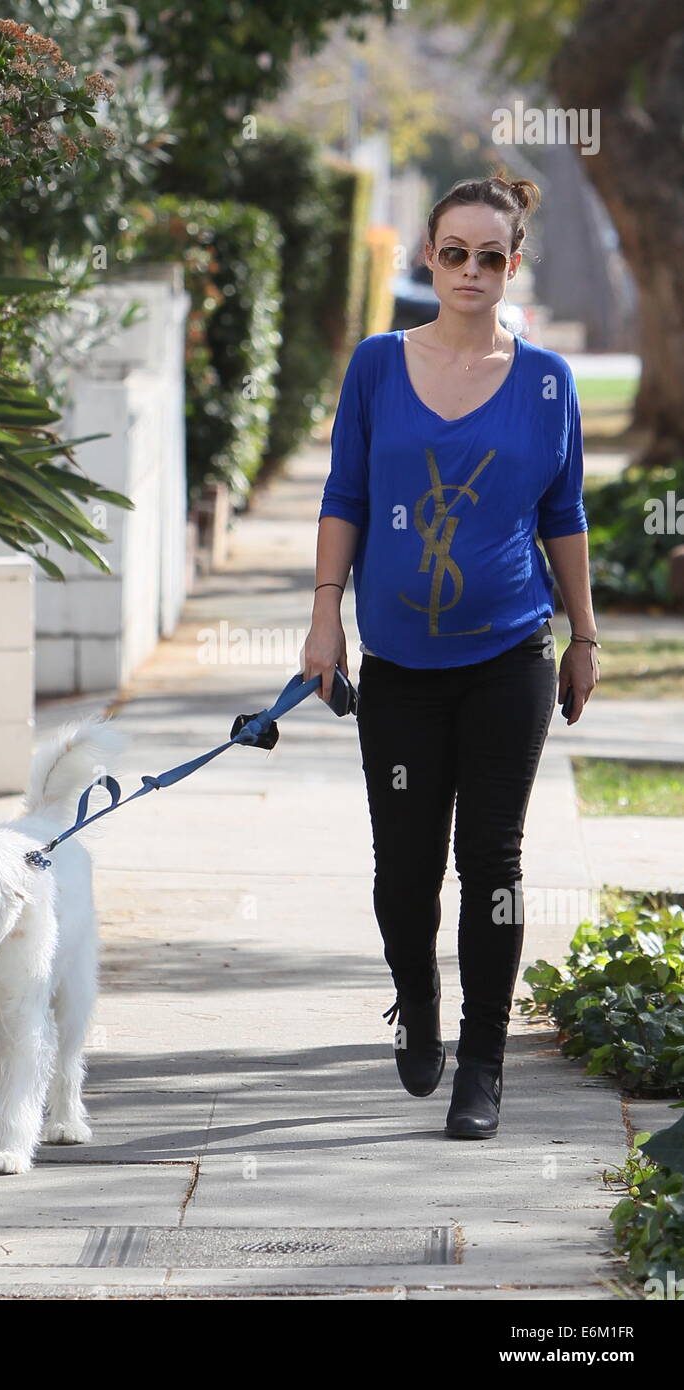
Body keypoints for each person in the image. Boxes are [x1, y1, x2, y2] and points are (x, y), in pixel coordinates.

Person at [302, 172, 599, 1139]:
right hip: (399, 665)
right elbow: (345, 494)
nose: (471, 270)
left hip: (511, 653)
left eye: (491, 256)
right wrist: (323, 617)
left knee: (494, 860)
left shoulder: (549, 380)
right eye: (454, 252)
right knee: (404, 869)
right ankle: (416, 1002)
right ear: (428, 257)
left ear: (514, 265)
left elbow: (564, 515)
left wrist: (584, 635)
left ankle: (484, 1063)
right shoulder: (378, 366)